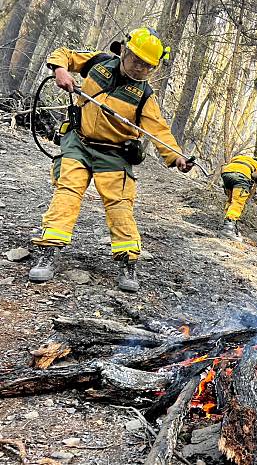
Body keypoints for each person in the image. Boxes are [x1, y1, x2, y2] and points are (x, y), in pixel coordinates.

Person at [29, 27, 194, 292]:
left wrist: (176, 158)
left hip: (114, 154)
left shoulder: (144, 96)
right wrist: (60, 69)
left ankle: (127, 264)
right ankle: (48, 252)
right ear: (124, 51)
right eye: (136, 60)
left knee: (120, 205)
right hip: (79, 142)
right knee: (67, 192)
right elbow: (65, 55)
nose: (140, 68)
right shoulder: (99, 62)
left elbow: (159, 130)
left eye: (147, 66)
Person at [219, 155, 257, 241]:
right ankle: (228, 229)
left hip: (226, 174)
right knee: (238, 202)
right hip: (241, 177)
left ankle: (228, 226)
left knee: (231, 201)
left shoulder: (243, 159)